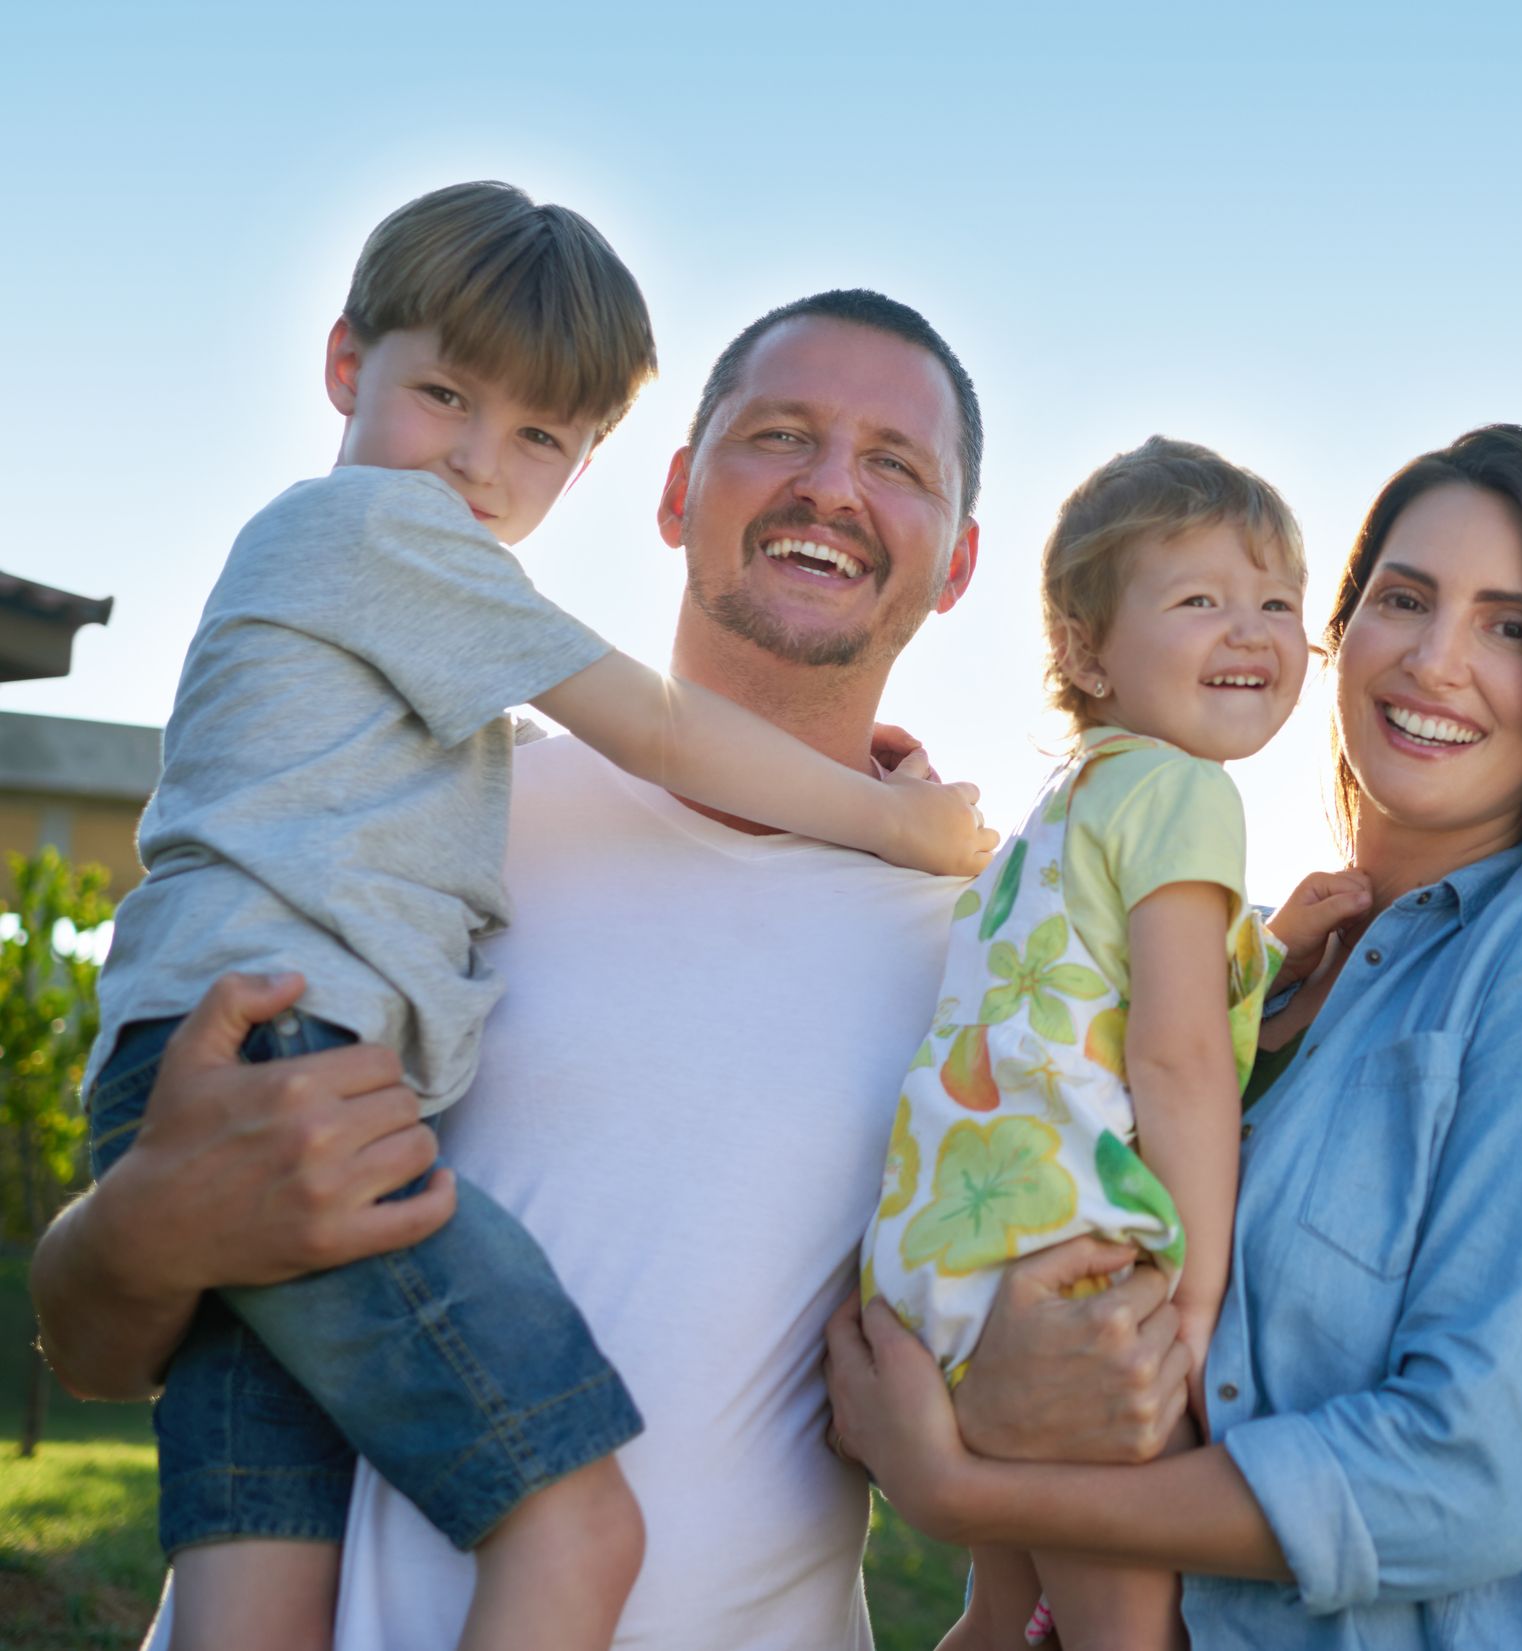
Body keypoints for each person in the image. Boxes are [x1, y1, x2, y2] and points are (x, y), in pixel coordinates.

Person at [34, 285, 994, 1649]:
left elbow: (1048, 1396)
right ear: (672, 491)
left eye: (895, 463)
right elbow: (95, 1339)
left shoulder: (997, 948)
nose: (831, 485)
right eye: (780, 434)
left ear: (956, 561)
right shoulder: (414, 822)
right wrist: (134, 1230)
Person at [827, 423, 1522, 1649]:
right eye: (1406, 599)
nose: (1439, 661)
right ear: (1343, 633)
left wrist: (964, 1488)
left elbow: (1465, 1480)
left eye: (1514, 626)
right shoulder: (1249, 956)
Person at [860, 436, 1368, 1648]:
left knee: (998, 1615)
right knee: (1122, 1632)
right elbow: (1180, 1059)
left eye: (1278, 604)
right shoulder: (1191, 796)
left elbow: (1095, 993)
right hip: (1078, 1285)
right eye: (1199, 600)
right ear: (1087, 651)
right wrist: (1195, 1297)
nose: (1250, 630)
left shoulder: (1073, 799)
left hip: (960, 1255)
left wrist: (1261, 947)